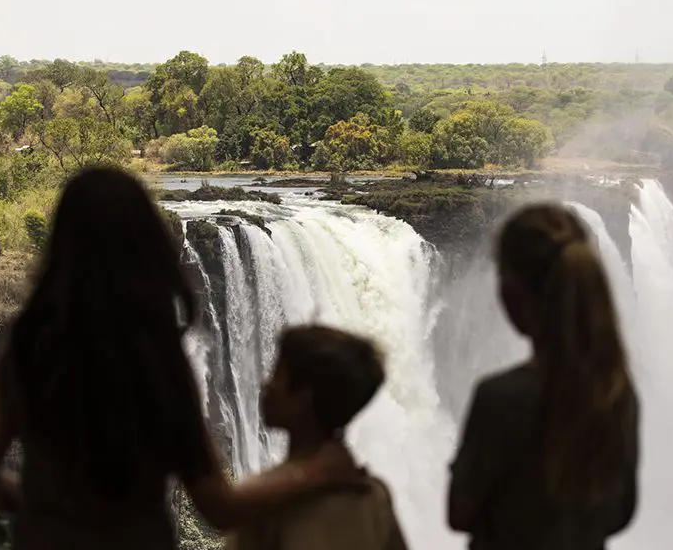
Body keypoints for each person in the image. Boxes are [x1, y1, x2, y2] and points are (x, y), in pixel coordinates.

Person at [0, 167, 360, 550]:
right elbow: (220, 506)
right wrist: (319, 473)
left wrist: (47, 510)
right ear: (146, 246)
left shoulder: (26, 354)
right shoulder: (154, 363)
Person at [447, 203, 640, 550]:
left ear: (511, 295)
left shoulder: (500, 398)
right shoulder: (615, 391)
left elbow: (459, 512)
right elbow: (620, 512)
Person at [227, 324, 408, 550]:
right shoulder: (374, 497)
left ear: (304, 397)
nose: (267, 386)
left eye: (277, 375)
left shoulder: (263, 500)